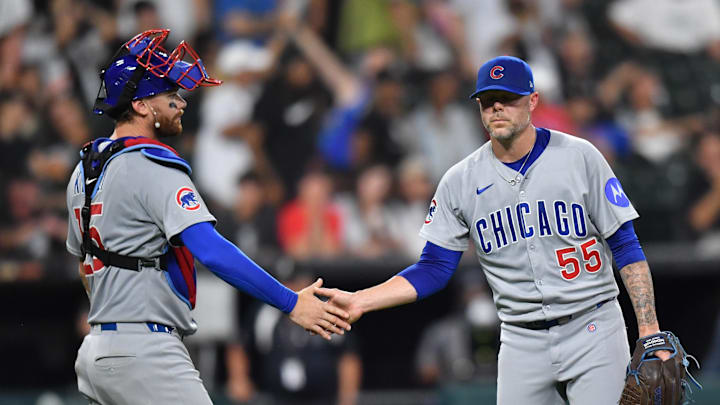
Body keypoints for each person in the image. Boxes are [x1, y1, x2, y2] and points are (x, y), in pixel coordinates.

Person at [318, 55, 670, 405]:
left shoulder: (580, 157)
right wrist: (360, 299)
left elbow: (625, 245)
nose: (497, 108)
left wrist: (649, 328)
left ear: (532, 101)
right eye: (488, 101)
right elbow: (434, 268)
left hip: (593, 324)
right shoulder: (460, 181)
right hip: (522, 339)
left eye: (508, 99)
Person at [65, 29, 350, 405]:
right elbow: (212, 251)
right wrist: (292, 303)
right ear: (140, 106)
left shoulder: (85, 169)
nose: (181, 103)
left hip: (96, 349)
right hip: (145, 351)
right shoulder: (153, 163)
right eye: (170, 95)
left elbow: (84, 262)